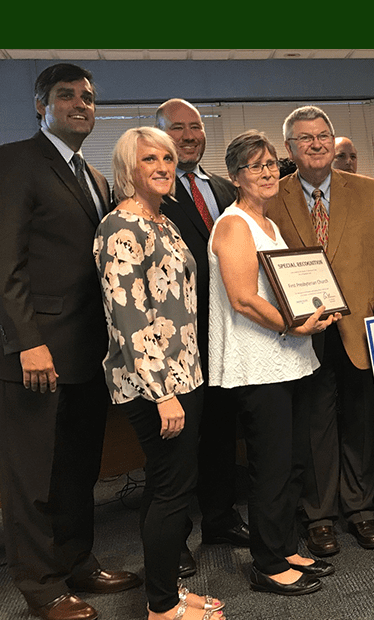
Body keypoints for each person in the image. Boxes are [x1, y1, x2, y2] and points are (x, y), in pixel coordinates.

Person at [0, 63, 141, 620]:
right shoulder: (11, 162)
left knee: (76, 469)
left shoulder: (92, 178)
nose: (80, 104)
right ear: (39, 106)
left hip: (84, 354)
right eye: (66, 95)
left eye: (88, 97)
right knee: (32, 476)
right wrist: (28, 343)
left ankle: (76, 560)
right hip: (34, 354)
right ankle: (40, 584)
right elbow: (0, 264)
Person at [94, 127, 225, 620]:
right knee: (173, 490)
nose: (163, 165)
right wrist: (163, 392)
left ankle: (165, 590)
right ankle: (161, 610)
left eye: (168, 157)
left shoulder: (163, 221)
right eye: (149, 158)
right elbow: (128, 317)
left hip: (183, 373)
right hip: (154, 385)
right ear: (129, 168)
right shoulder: (121, 227)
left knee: (167, 485)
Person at [266, 106, 374, 557]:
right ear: (289, 148)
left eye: (323, 135)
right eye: (305, 138)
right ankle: (319, 516)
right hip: (302, 333)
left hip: (358, 331)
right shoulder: (274, 196)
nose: (316, 144)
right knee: (314, 430)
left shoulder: (368, 191)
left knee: (360, 424)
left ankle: (362, 508)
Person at [209, 130, 341, 595]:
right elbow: (243, 299)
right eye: (254, 166)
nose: (266, 172)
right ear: (234, 176)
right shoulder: (234, 224)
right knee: (269, 467)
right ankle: (267, 563)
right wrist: (294, 325)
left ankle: (285, 547)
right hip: (258, 363)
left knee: (290, 463)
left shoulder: (269, 223)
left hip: (289, 359)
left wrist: (311, 314)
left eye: (270, 164)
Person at [154, 98, 249, 579]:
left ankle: (219, 518)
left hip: (226, 334)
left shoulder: (221, 188)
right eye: (177, 128)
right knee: (179, 444)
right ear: (158, 136)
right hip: (177, 341)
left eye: (195, 127)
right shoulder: (150, 192)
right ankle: (175, 540)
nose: (189, 135)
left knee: (218, 434)